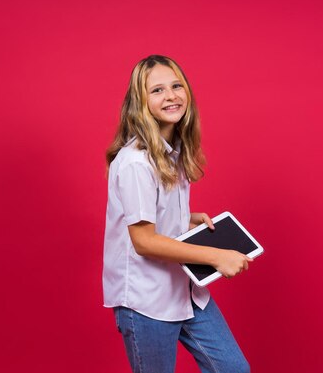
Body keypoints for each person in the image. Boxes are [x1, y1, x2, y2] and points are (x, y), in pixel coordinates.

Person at [102, 54, 253, 373]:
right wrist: (215, 256)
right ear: (140, 103)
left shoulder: (174, 152)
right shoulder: (136, 163)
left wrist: (186, 218)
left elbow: (153, 217)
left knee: (233, 369)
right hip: (147, 301)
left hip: (185, 289)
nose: (170, 95)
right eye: (157, 90)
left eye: (176, 85)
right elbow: (143, 241)